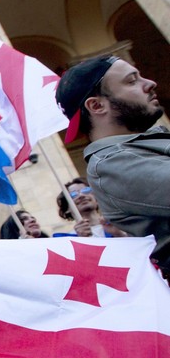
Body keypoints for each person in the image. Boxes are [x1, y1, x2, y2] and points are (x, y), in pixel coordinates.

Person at [55, 55, 169, 274]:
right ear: (97, 105)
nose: (149, 83)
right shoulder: (109, 165)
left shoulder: (142, 145)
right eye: (131, 81)